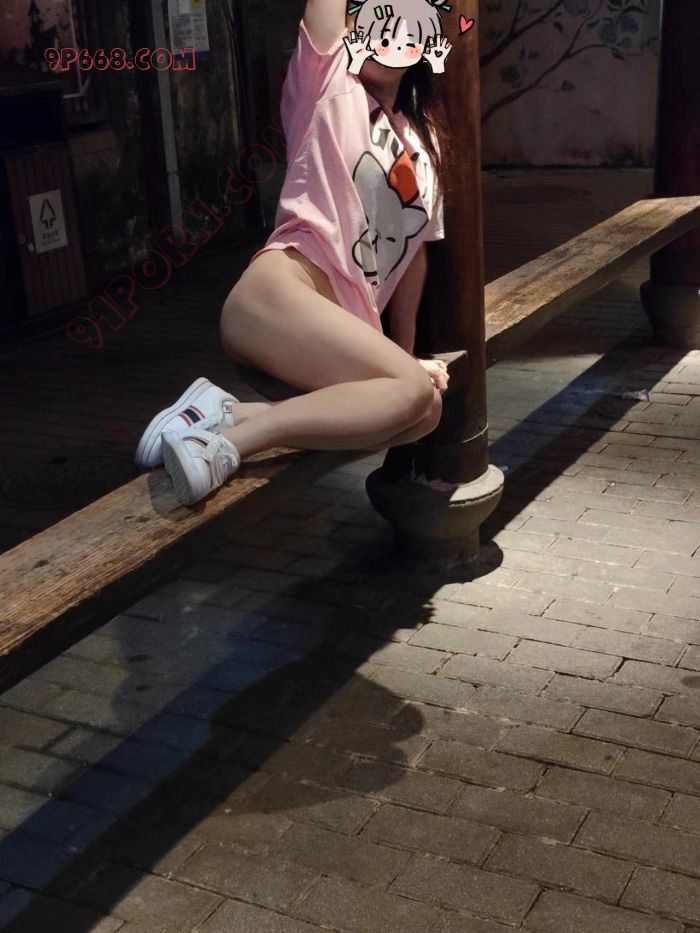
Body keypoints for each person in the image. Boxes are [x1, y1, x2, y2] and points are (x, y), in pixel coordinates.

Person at [135, 0, 454, 505]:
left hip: (339, 323)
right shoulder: (328, 82)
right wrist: (405, 373)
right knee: (414, 392)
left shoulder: (424, 139)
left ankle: (222, 414)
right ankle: (224, 446)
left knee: (424, 412)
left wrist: (404, 355)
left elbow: (415, 256)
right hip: (280, 293)